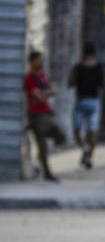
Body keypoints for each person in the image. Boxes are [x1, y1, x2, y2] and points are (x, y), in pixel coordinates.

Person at [23, 51, 67, 182]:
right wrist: (47, 93)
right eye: (38, 60)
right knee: (42, 147)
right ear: (32, 62)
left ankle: (42, 167)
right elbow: (40, 97)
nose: (41, 63)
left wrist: (45, 93)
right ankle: (46, 172)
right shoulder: (30, 79)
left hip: (46, 113)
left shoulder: (42, 76)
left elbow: (52, 90)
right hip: (36, 115)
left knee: (61, 134)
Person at [68, 42, 105, 169]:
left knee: (77, 131)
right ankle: (89, 156)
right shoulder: (99, 67)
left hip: (82, 101)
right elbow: (103, 84)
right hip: (94, 101)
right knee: (92, 131)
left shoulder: (78, 67)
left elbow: (70, 83)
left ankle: (85, 150)